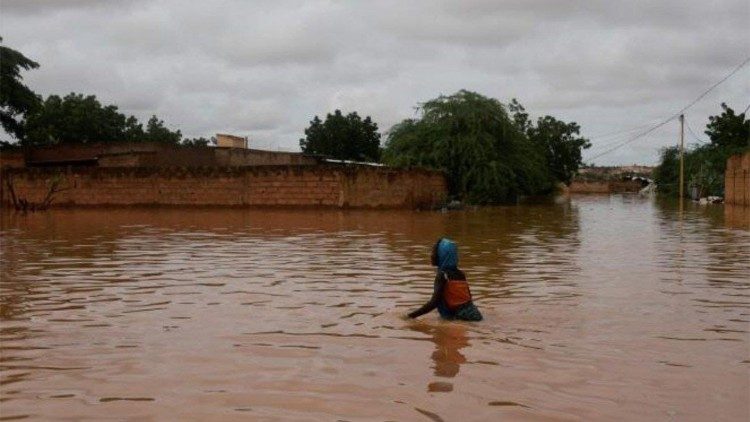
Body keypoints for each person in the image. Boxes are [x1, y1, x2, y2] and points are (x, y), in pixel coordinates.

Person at [406, 237, 483, 321]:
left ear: (442, 255)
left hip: (460, 319)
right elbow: (468, 299)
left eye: (435, 252)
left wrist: (410, 316)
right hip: (475, 315)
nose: (432, 255)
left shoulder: (442, 275)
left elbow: (434, 303)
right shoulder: (460, 274)